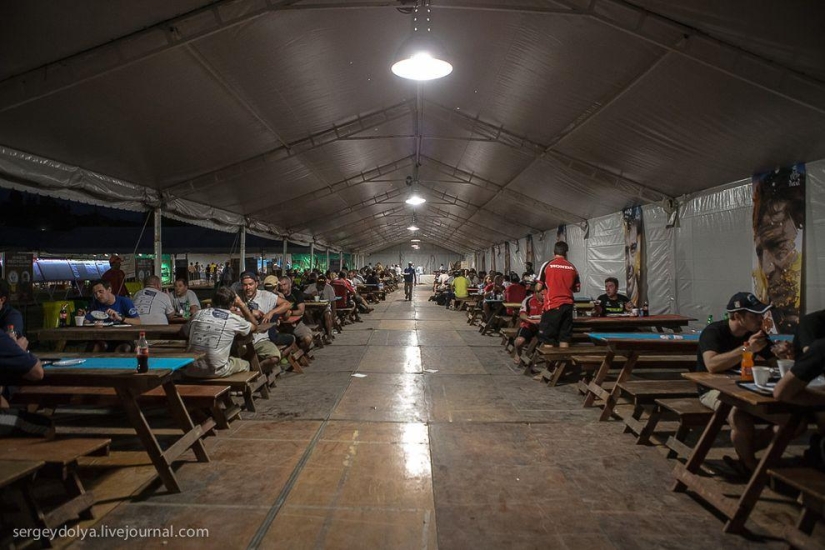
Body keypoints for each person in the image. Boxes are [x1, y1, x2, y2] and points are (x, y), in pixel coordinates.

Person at [697, 292, 791, 473]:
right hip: (712, 389)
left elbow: (773, 361)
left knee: (794, 421)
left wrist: (785, 356)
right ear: (738, 316)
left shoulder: (756, 334)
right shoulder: (714, 332)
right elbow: (712, 365)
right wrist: (746, 349)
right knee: (739, 415)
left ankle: (748, 450)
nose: (760, 319)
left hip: (746, 388)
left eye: (761, 314)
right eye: (754, 315)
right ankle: (750, 467)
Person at [184, 287, 257, 378]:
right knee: (246, 364)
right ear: (232, 303)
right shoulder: (234, 319)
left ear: (212, 301)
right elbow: (254, 326)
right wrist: (241, 304)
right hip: (216, 370)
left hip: (191, 368)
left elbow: (184, 332)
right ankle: (237, 387)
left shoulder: (198, 314)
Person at [239, 272, 290, 373]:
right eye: (245, 285)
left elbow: (287, 304)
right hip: (240, 340)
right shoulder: (237, 297)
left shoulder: (265, 295)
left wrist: (271, 312)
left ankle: (255, 373)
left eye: (250, 284)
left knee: (275, 357)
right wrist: (249, 312)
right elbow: (227, 311)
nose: (248, 287)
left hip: (260, 339)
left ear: (256, 284)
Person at [537, 241, 580, 349]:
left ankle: (549, 360)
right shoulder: (572, 267)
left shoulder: (547, 265)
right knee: (564, 338)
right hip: (568, 306)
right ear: (566, 253)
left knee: (548, 339)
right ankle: (563, 360)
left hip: (552, 305)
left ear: (553, 252)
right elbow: (577, 289)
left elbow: (538, 287)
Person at [277, 276, 313, 352]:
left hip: (297, 324)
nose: (282, 288)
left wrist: (290, 312)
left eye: (285, 285)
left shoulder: (296, 293)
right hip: (280, 326)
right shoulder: (276, 295)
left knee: (307, 339)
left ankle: (299, 352)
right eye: (280, 285)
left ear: (290, 284)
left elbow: (301, 311)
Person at [513, 285, 544, 364]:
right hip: (528, 326)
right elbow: (522, 315)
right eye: (542, 294)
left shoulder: (548, 301)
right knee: (519, 341)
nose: (544, 296)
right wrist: (531, 321)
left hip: (543, 327)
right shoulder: (528, 300)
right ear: (536, 292)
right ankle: (518, 353)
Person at [303, 274, 336, 343]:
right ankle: (316, 330)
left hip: (325, 307)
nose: (320, 286)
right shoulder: (312, 286)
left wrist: (334, 313)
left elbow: (333, 301)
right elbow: (302, 295)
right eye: (319, 285)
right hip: (313, 307)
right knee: (307, 313)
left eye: (322, 285)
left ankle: (329, 335)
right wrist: (310, 295)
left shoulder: (329, 288)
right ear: (316, 283)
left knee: (328, 314)